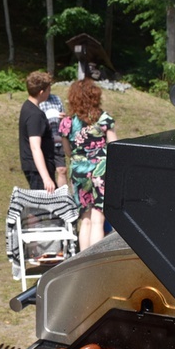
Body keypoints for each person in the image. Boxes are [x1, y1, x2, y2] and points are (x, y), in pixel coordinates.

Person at [59, 78, 118, 251]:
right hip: (100, 170)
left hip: (78, 171)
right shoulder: (104, 119)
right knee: (98, 220)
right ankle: (96, 262)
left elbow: (67, 151)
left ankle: (83, 262)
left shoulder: (67, 122)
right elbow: (114, 147)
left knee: (85, 220)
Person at [19, 71, 56, 193]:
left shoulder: (27, 107)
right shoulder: (35, 114)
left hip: (36, 166)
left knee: (41, 209)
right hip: (38, 169)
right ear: (41, 92)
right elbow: (35, 147)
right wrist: (46, 178)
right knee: (42, 209)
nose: (49, 93)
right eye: (48, 90)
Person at [39, 90, 68, 187]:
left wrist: (63, 118)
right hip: (45, 141)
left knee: (62, 170)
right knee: (48, 171)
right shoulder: (38, 101)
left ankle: (62, 197)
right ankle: (50, 198)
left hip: (58, 140)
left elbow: (65, 118)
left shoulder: (56, 99)